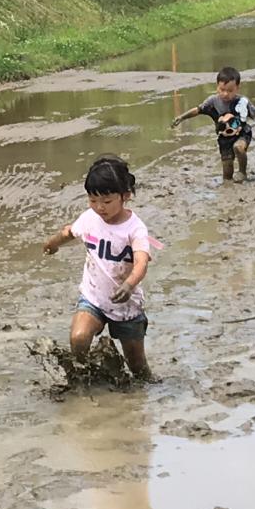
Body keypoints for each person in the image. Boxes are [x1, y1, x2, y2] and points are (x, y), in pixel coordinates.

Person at [42, 156, 157, 383]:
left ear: (125, 196)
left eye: (106, 201)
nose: (99, 207)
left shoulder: (135, 229)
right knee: (79, 338)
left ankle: (148, 391)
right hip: (93, 297)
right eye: (93, 200)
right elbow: (69, 233)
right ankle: (83, 380)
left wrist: (129, 284)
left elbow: (142, 262)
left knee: (137, 367)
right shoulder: (89, 218)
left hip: (127, 306)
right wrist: (52, 244)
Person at [171, 66, 255, 183]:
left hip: (242, 133)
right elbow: (198, 110)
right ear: (217, 86)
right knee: (227, 174)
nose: (225, 94)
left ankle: (243, 172)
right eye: (222, 90)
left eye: (230, 91)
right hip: (224, 138)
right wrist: (182, 117)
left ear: (237, 88)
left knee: (238, 147)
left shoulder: (242, 102)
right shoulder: (212, 102)